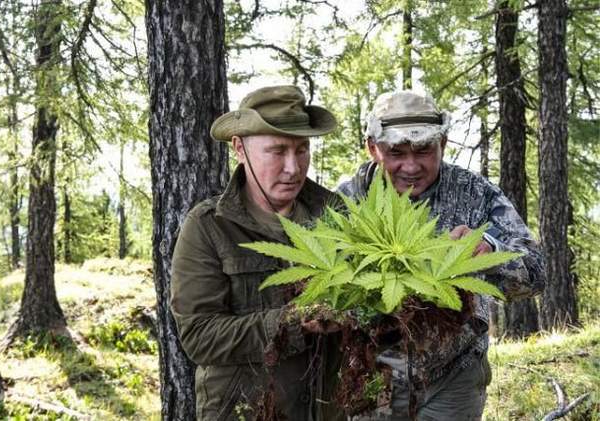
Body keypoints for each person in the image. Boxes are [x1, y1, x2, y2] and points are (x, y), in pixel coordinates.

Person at [338, 90, 546, 420]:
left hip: (453, 378)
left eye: (424, 150)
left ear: (444, 143)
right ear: (373, 148)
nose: (411, 166)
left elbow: (535, 271)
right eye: (396, 152)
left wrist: (489, 250)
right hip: (372, 378)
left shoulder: (474, 194)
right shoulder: (348, 201)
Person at [171, 85, 345, 421]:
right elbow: (198, 336)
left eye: (302, 150)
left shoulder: (337, 216)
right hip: (244, 412)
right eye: (277, 151)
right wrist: (290, 324)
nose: (293, 167)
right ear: (240, 148)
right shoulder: (209, 227)